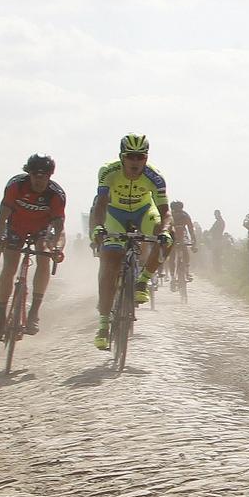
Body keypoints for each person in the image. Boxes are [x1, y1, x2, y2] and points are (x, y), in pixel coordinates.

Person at [90, 133, 173, 350]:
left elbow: (165, 212)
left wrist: (164, 232)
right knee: (110, 262)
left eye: (140, 157)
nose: (135, 162)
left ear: (146, 158)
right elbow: (100, 204)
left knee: (168, 237)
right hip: (115, 214)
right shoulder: (108, 171)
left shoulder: (155, 176)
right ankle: (103, 324)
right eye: (131, 157)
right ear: (122, 157)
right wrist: (98, 227)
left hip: (144, 211)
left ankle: (142, 280)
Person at [0, 155, 67, 339]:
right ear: (29, 174)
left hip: (42, 229)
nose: (39, 180)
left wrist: (57, 248)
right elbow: (1, 218)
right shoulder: (16, 186)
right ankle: (1, 317)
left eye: (44, 176)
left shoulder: (56, 194)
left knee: (44, 258)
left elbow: (59, 228)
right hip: (16, 227)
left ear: (50, 176)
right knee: (9, 267)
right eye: (35, 175)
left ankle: (34, 313)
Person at [165, 200, 199, 287]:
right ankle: (180, 274)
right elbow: (191, 230)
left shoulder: (183, 215)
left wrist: (194, 242)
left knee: (175, 254)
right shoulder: (181, 215)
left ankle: (178, 275)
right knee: (178, 252)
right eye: (175, 211)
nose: (177, 213)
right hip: (175, 236)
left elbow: (191, 230)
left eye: (178, 211)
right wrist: (194, 242)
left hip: (179, 237)